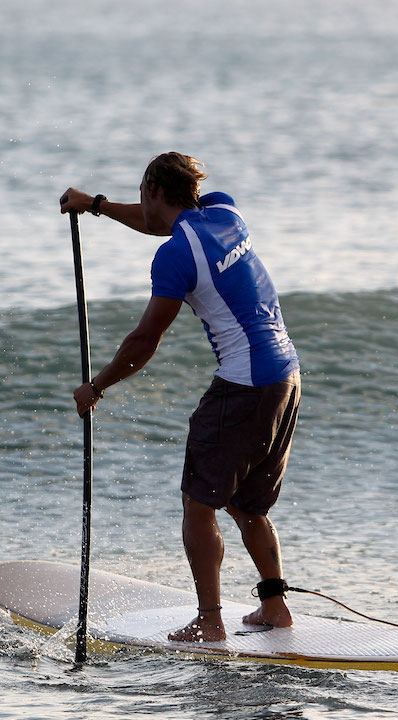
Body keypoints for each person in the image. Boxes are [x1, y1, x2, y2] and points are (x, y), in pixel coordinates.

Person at [59, 152, 301, 643]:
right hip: (286, 376)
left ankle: (210, 620)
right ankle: (274, 608)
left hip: (243, 384)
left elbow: (145, 340)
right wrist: (98, 205)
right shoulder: (227, 213)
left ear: (152, 189)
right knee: (250, 507)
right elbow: (161, 225)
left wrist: (96, 386)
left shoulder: (174, 255)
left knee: (198, 505)